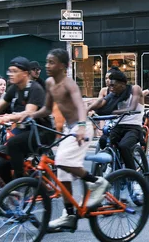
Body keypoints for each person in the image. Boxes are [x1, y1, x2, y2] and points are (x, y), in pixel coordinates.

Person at [35, 49, 109, 231]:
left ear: (62, 66)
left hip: (81, 128)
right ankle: (69, 214)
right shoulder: (49, 83)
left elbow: (80, 105)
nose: (47, 66)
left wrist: (83, 126)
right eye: (46, 61)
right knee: (61, 173)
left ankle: (98, 181)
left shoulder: (70, 84)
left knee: (61, 160)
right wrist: (26, 115)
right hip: (69, 130)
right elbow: (46, 109)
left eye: (51, 62)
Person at [89, 69, 145, 172]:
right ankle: (111, 165)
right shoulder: (114, 94)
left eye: (113, 85)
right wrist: (88, 109)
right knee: (104, 141)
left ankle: (133, 177)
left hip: (133, 127)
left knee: (124, 146)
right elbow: (101, 102)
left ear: (122, 84)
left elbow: (132, 108)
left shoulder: (135, 89)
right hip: (118, 125)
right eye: (109, 85)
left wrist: (113, 112)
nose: (110, 88)